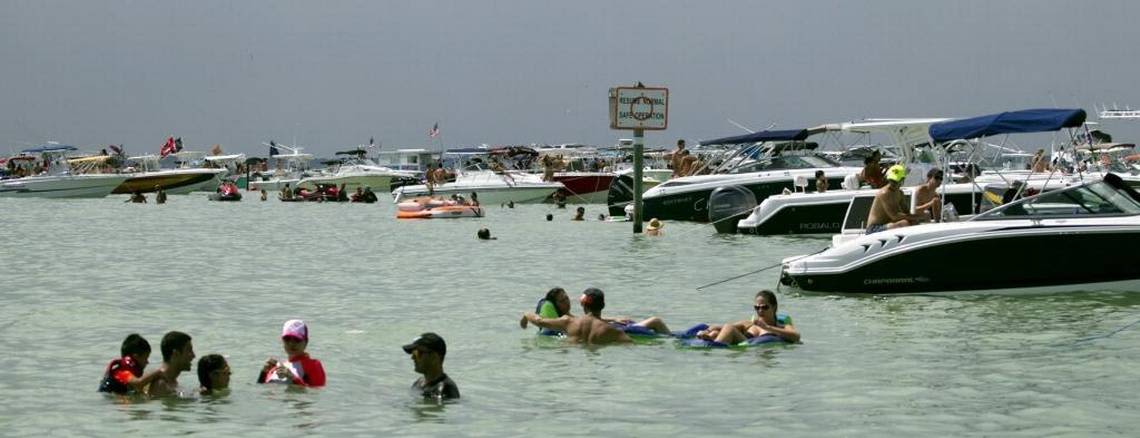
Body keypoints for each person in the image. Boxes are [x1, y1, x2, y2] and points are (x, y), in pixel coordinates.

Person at [520, 288, 670, 343]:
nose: (566, 302)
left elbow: (539, 320)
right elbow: (632, 345)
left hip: (569, 360)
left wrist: (526, 315)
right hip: (597, 361)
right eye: (562, 300)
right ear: (603, 305)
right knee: (655, 321)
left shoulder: (567, 322)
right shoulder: (611, 331)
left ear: (582, 304)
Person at [696, 290, 800, 344]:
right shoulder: (749, 324)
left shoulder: (782, 326)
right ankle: (711, 340)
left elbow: (796, 336)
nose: (760, 311)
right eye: (757, 307)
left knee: (729, 328)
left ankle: (715, 347)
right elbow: (720, 327)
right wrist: (708, 331)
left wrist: (767, 328)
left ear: (774, 307)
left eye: (764, 307)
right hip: (743, 343)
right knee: (716, 331)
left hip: (752, 347)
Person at [258, 319, 326, 387]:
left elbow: (316, 392)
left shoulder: (313, 365)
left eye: (297, 340)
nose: (291, 344)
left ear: (306, 342)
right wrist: (263, 373)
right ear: (282, 341)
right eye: (287, 339)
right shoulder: (276, 367)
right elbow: (260, 391)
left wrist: (293, 378)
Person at [865, 165, 927, 234]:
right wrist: (918, 217)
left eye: (896, 181)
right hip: (873, 229)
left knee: (913, 221)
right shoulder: (884, 193)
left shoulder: (900, 193)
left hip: (887, 225)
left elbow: (906, 213)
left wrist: (917, 218)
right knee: (904, 223)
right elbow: (894, 216)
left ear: (902, 180)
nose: (893, 183)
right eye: (891, 180)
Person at [98, 334, 163, 395]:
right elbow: (138, 383)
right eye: (146, 358)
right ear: (136, 357)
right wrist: (159, 371)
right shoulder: (122, 373)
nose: (147, 362)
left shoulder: (127, 372)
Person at [403, 333, 460, 401]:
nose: (413, 357)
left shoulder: (444, 389)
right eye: (413, 353)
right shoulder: (419, 383)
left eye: (418, 353)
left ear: (435, 357)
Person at [146, 331, 195, 398]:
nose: (193, 355)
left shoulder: (171, 381)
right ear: (175, 354)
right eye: (189, 350)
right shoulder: (161, 384)